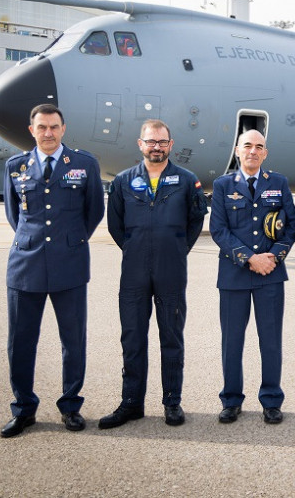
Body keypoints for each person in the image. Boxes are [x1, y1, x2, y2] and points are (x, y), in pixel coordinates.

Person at [0, 103, 105, 438]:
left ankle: (71, 405)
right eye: (41, 127)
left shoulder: (85, 164)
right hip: (25, 265)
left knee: (73, 341)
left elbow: (93, 212)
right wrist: (35, 241)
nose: (48, 133)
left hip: (70, 264)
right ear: (32, 130)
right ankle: (24, 409)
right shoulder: (15, 166)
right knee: (20, 341)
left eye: (54, 127)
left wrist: (70, 240)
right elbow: (14, 215)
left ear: (63, 129)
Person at [99, 120, 208, 429]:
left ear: (170, 145)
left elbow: (195, 221)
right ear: (140, 144)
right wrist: (136, 249)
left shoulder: (187, 181)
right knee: (132, 337)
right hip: (133, 270)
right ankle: (132, 403)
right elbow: (115, 226)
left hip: (171, 270)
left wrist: (174, 249)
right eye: (151, 142)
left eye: (162, 142)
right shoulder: (122, 181)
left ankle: (172, 402)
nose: (156, 147)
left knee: (171, 336)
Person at [209, 129, 295, 425]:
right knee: (232, 341)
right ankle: (231, 400)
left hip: (270, 274)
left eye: (259, 147)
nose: (253, 151)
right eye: (248, 145)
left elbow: (291, 225)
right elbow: (219, 229)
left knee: (270, 341)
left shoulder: (279, 183)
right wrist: (249, 258)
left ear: (265, 153)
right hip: (234, 275)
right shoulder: (223, 185)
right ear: (238, 150)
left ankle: (271, 400)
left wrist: (274, 256)